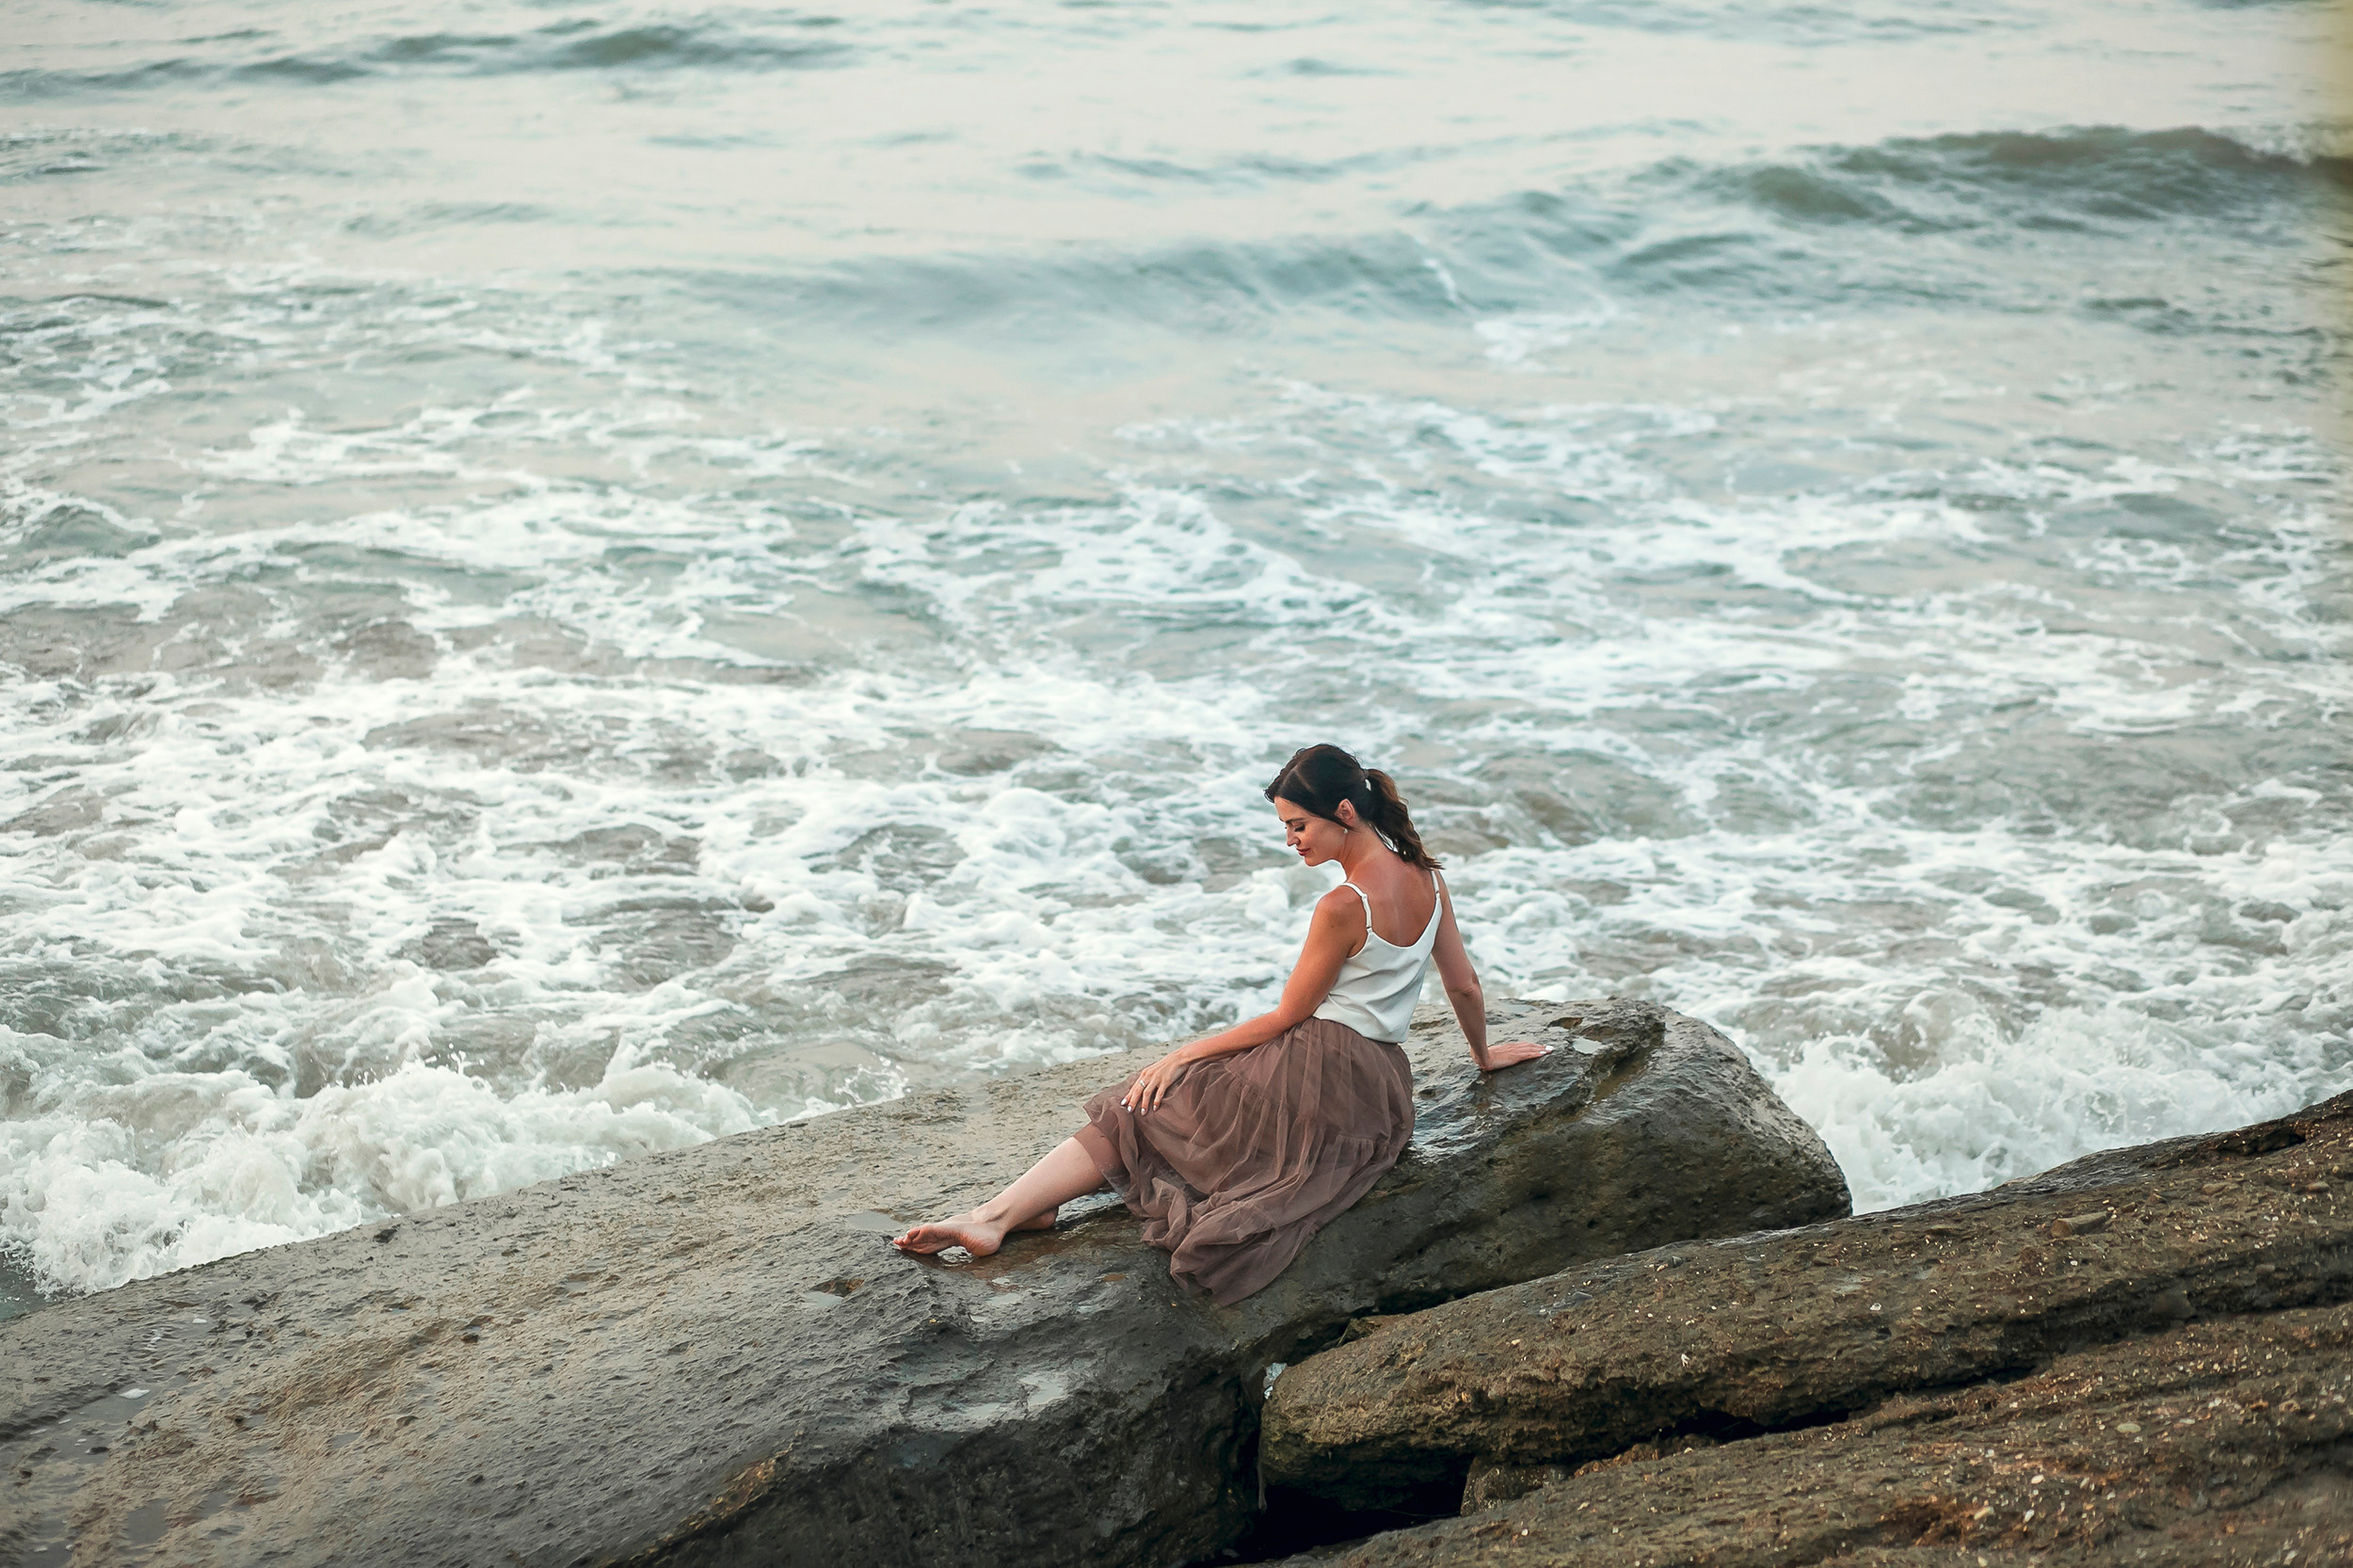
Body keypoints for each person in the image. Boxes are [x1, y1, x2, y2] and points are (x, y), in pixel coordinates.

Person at [891, 744, 1549, 1304]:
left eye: (1298, 826)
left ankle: (994, 1217)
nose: (1290, 841)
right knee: (1170, 1104)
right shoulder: (1428, 879)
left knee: (1144, 1101)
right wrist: (1483, 1055)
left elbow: (1290, 1016)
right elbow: (1462, 982)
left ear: (1344, 813)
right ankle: (1022, 1209)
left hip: (1322, 1066)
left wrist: (1184, 1054)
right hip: (1380, 1092)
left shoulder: (1344, 904)